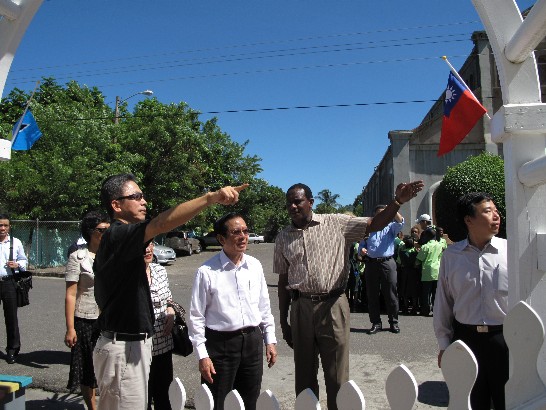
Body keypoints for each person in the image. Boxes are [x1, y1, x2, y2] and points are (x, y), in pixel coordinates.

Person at [93, 173, 247, 410]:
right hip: (123, 349)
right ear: (116, 205)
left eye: (143, 196)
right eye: (136, 196)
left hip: (131, 346)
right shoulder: (118, 234)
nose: (144, 201)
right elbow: (162, 223)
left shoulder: (123, 243)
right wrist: (211, 198)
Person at [274, 180, 423, 410]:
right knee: (303, 376)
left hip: (333, 305)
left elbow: (374, 224)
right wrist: (284, 321)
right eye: (289, 203)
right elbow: (283, 281)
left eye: (298, 201)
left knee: (337, 376)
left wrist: (397, 202)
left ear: (310, 202)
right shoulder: (283, 237)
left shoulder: (336, 223)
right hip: (300, 306)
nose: (293, 207)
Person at [189, 213, 277, 410]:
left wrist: (269, 340)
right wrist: (202, 355)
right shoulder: (207, 271)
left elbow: (264, 306)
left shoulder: (254, 266)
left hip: (252, 343)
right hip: (220, 345)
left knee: (249, 399)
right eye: (236, 232)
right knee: (218, 400)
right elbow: (196, 317)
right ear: (221, 238)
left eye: (245, 231)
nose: (243, 236)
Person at [433, 192, 508, 410]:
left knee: (508, 401)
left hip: (503, 340)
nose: (496, 216)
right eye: (488, 211)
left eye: (496, 211)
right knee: (471, 402)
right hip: (466, 340)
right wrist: (444, 345)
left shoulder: (509, 250)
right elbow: (443, 304)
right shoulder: (452, 256)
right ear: (469, 219)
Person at [64, 211, 110, 409]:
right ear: (90, 232)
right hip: (85, 319)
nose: (106, 234)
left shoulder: (114, 254)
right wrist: (70, 328)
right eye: (101, 230)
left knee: (109, 367)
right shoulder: (78, 257)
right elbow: (71, 294)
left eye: (109, 230)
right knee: (87, 368)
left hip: (110, 319)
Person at [359, 204, 404, 334]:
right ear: (374, 216)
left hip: (387, 262)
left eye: (384, 214)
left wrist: (393, 208)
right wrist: (361, 250)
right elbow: (361, 245)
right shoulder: (368, 229)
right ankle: (376, 323)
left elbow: (401, 222)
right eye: (379, 214)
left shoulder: (391, 227)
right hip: (371, 263)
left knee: (391, 293)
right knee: (372, 294)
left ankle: (393, 322)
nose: (382, 216)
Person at [144, 241, 175, 410]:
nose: (148, 249)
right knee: (143, 398)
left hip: (163, 343)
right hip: (139, 348)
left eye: (150, 244)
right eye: (143, 245)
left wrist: (171, 309)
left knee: (165, 395)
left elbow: (168, 297)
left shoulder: (160, 270)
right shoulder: (127, 275)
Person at [0, 214, 28, 364]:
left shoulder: (15, 242)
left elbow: (23, 259)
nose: (2, 228)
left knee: (11, 318)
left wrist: (17, 265)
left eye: (5, 225)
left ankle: (12, 350)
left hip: (9, 282)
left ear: (9, 227)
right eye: (0, 225)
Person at [415, 227, 443, 317]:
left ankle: (425, 310)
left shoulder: (425, 246)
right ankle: (436, 310)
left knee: (426, 293)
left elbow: (419, 260)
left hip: (427, 271)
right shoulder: (440, 245)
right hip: (437, 270)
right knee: (435, 292)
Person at [396, 236, 420, 314]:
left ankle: (405, 307)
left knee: (405, 289)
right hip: (413, 273)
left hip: (405, 272)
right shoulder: (415, 252)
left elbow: (399, 262)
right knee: (414, 290)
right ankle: (414, 307)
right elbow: (417, 264)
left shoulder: (401, 252)